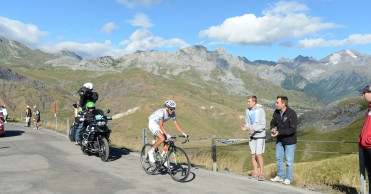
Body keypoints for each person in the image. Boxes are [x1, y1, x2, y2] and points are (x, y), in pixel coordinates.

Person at [147, 100, 188, 165]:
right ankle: (150, 152)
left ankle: (164, 158)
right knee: (162, 138)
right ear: (167, 108)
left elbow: (176, 124)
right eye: (171, 109)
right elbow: (161, 126)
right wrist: (168, 135)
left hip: (157, 125)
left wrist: (184, 134)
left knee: (168, 141)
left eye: (174, 109)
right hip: (153, 123)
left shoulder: (173, 113)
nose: (172, 110)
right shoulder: (162, 112)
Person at [270, 96, 297, 185]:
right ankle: (280, 176)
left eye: (277, 103)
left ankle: (288, 178)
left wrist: (279, 132)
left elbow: (292, 129)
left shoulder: (292, 113)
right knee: (278, 159)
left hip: (289, 141)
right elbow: (273, 122)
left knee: (289, 161)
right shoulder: (276, 112)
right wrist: (273, 128)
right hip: (279, 140)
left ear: (283, 103)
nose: (276, 104)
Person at [241, 95, 266, 181]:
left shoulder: (261, 111)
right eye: (247, 102)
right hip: (252, 136)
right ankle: (255, 172)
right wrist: (246, 127)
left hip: (260, 136)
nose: (247, 103)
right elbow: (248, 123)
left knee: (259, 154)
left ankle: (262, 174)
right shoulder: (247, 111)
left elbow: (263, 126)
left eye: (249, 102)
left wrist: (254, 129)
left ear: (254, 102)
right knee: (253, 154)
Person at [359, 85, 371, 194]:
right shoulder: (369, 108)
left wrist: (368, 140)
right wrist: (361, 138)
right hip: (365, 146)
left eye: (364, 92)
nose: (363, 95)